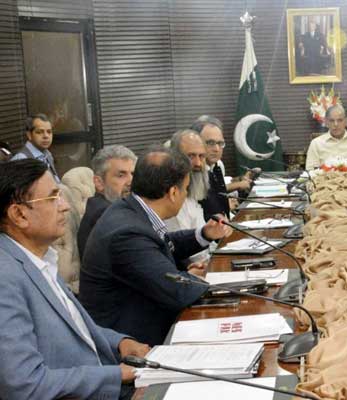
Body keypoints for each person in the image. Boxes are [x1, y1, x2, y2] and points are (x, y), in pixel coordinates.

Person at [0, 159, 150, 399]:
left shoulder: (39, 258)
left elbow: (73, 328)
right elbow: (24, 385)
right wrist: (116, 375)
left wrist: (120, 343)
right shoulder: (5, 277)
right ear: (19, 214)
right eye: (53, 198)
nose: (65, 206)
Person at [80, 147, 230, 346]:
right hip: (135, 347)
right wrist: (227, 283)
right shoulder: (126, 232)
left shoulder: (129, 209)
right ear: (174, 192)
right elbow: (177, 291)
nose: (186, 194)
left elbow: (161, 244)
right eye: (185, 189)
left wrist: (203, 234)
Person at [77, 145, 137, 259]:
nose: (131, 181)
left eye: (133, 174)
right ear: (99, 182)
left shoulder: (113, 207)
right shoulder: (104, 213)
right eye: (121, 175)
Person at [191, 115, 252, 220]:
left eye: (220, 143)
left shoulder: (215, 167)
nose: (216, 149)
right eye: (210, 143)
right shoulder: (192, 174)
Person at [305, 105, 347, 170]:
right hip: (325, 182)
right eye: (332, 121)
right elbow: (311, 172)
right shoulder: (316, 144)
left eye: (340, 120)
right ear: (326, 122)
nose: (336, 124)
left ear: (346, 121)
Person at [11, 113, 60, 182]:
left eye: (49, 132)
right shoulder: (22, 159)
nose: (46, 136)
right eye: (39, 132)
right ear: (29, 135)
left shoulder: (47, 154)